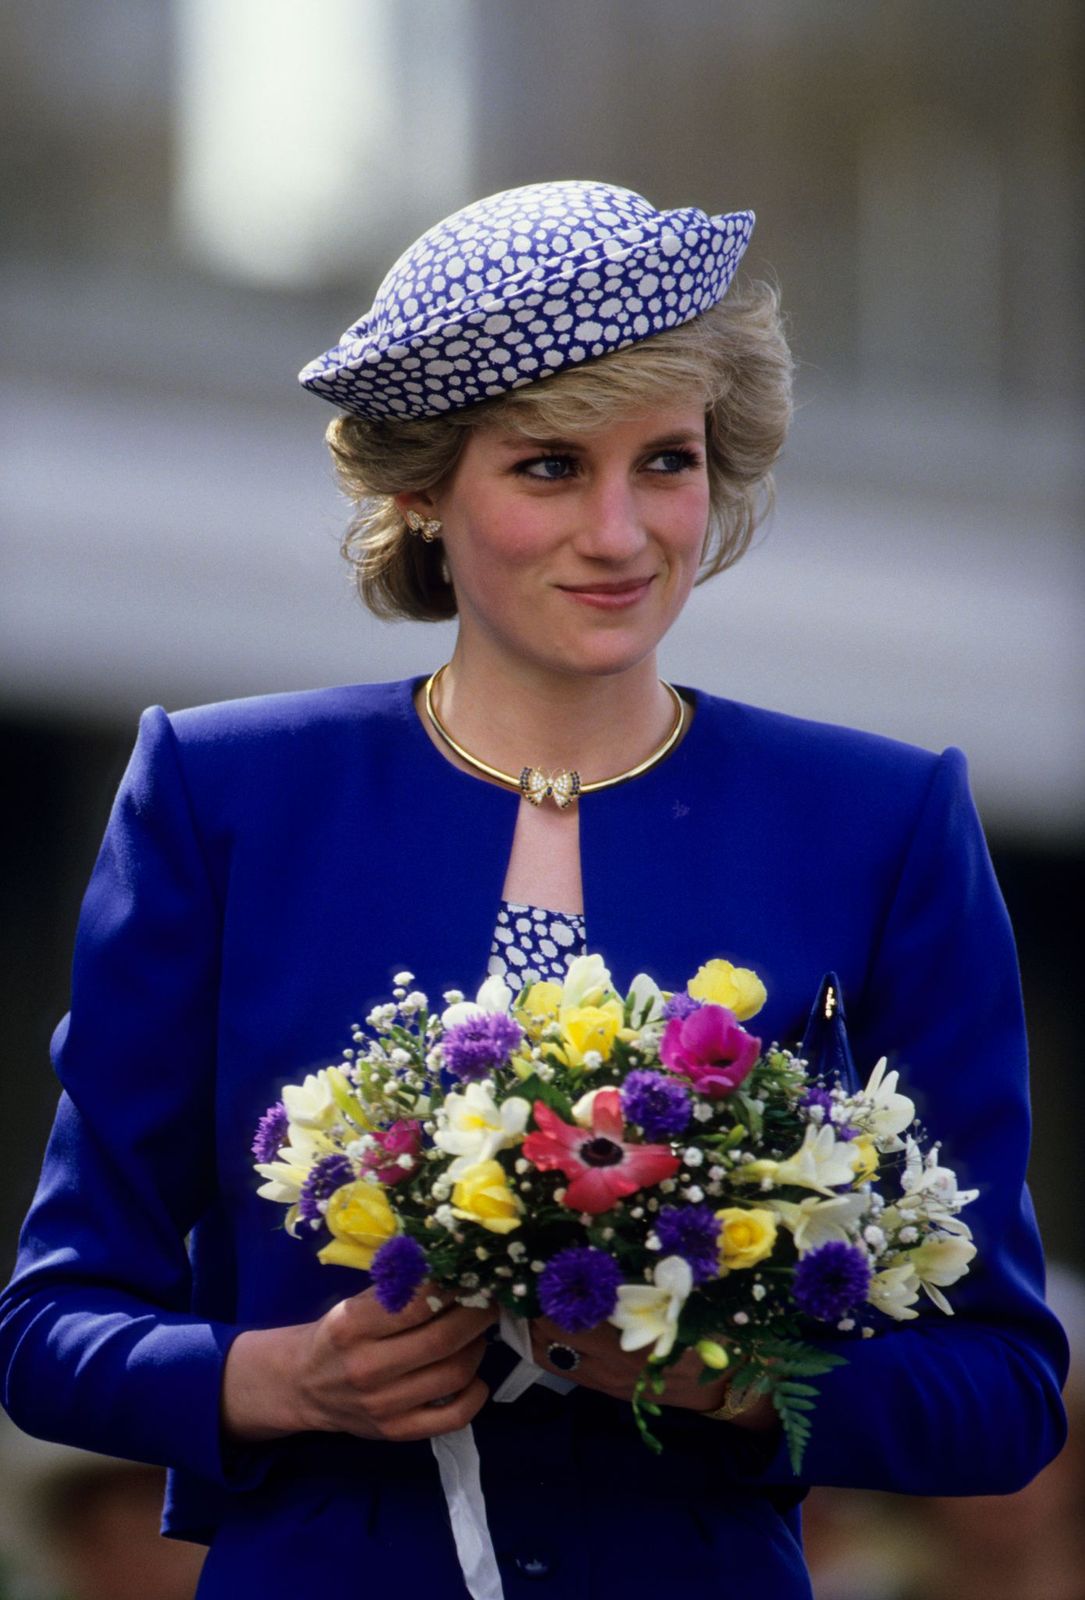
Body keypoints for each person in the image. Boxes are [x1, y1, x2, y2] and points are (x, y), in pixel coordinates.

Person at [0, 180, 1068, 1600]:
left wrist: (740, 1383)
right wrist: (286, 1378)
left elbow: (997, 1388)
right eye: (550, 466)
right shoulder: (221, 794)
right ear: (422, 489)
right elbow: (53, 1329)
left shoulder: (882, 820)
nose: (622, 534)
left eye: (669, 462)